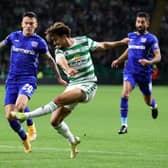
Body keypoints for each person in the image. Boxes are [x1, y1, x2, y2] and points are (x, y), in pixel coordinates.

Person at [11, 21, 128, 158]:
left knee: (59, 100)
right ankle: (73, 141)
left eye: (55, 39)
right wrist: (67, 69)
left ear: (64, 35)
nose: (54, 43)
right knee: (55, 121)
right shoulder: (59, 50)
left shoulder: (83, 41)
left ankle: (26, 116)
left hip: (88, 84)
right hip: (73, 85)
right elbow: (60, 61)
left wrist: (121, 42)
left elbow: (103, 45)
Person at [0, 12, 67, 153]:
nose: (29, 26)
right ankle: (24, 138)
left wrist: (59, 77)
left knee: (19, 108)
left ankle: (31, 125)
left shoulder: (39, 42)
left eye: (31, 23)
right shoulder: (14, 36)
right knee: (9, 117)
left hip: (28, 79)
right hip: (12, 80)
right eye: (26, 23)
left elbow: (50, 60)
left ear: (36, 25)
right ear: (22, 24)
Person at [111, 12, 161, 134]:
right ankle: (124, 125)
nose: (139, 24)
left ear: (147, 24)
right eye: (138, 22)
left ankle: (153, 106)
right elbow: (129, 50)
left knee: (147, 101)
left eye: (142, 22)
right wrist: (119, 60)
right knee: (124, 95)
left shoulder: (151, 39)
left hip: (144, 74)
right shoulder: (131, 36)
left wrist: (149, 62)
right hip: (130, 72)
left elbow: (158, 57)